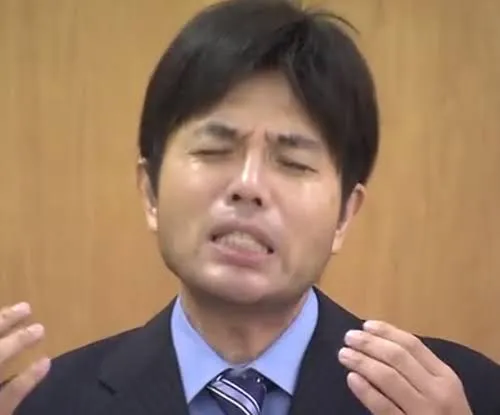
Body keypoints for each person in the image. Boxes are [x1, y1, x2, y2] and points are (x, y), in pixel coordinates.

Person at [1, 0, 499, 414]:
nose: (248, 185)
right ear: (150, 191)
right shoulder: (47, 403)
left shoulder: (460, 395)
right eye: (214, 150)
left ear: (345, 215)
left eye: (293, 162)